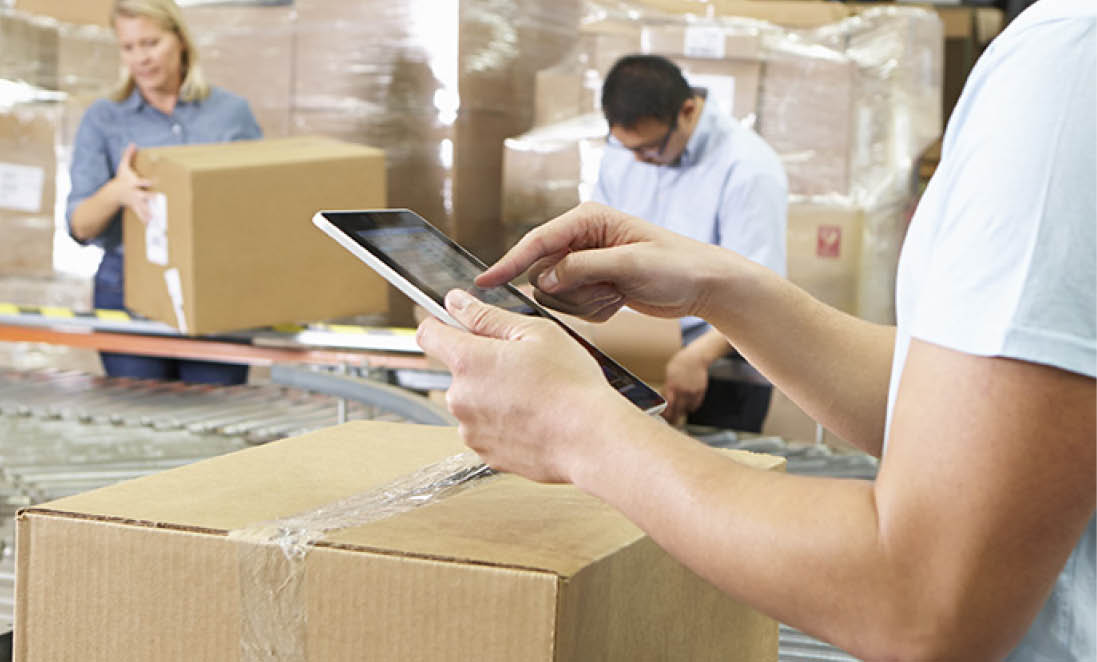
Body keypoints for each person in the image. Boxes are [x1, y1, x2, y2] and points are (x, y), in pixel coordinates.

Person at [417, 1, 1095, 659]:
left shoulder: (1067, 61)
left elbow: (922, 601)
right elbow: (985, 414)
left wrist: (576, 428)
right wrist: (719, 286)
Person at [67, 0, 261, 384]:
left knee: (216, 420)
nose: (141, 58)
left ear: (181, 40)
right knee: (145, 425)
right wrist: (116, 192)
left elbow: (259, 206)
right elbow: (79, 226)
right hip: (127, 285)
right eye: (129, 47)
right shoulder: (104, 118)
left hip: (216, 283)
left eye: (151, 43)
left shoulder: (230, 113)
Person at [594, 54, 788, 428]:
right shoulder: (624, 152)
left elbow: (758, 292)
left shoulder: (748, 168)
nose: (638, 160)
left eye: (649, 149)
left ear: (687, 111)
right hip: (638, 350)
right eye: (627, 148)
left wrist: (697, 356)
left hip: (718, 359)